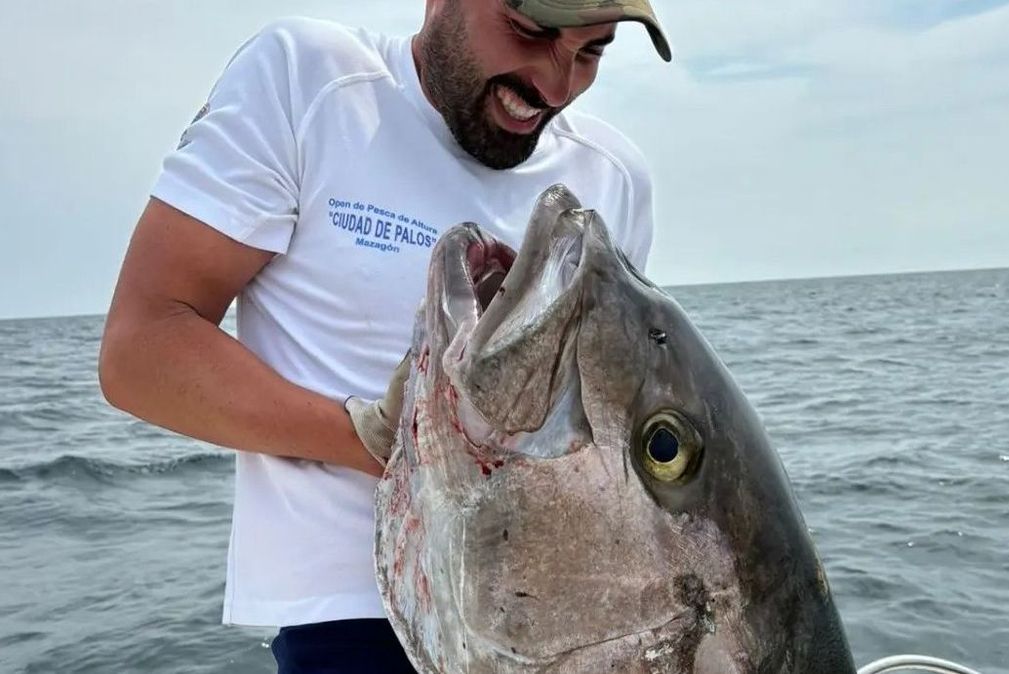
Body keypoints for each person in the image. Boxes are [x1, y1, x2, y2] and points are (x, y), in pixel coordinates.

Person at [97, 0, 671, 671]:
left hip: (565, 629)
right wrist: (383, 438)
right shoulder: (310, 81)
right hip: (350, 622)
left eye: (591, 51)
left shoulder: (614, 178)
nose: (555, 82)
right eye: (531, 32)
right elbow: (141, 349)